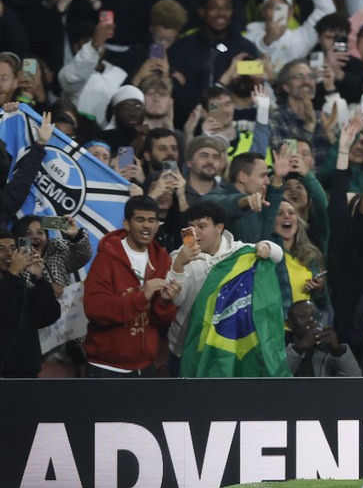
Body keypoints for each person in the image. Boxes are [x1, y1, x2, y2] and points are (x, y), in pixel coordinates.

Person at [165, 201, 283, 376]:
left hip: (229, 348)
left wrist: (266, 245)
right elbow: (176, 299)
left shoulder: (241, 252)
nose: (195, 232)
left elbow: (277, 254)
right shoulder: (179, 257)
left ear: (219, 227)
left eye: (202, 226)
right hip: (186, 348)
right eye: (191, 227)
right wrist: (179, 264)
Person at [82, 195, 181, 377]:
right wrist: (142, 296)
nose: (147, 226)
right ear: (127, 224)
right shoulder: (106, 258)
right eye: (140, 220)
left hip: (144, 367)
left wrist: (165, 302)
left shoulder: (161, 260)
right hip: (106, 368)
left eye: (152, 220)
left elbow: (160, 321)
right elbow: (95, 309)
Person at [0, 230, 59, 378]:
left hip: (27, 374)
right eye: (1, 249)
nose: (8, 254)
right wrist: (13, 273)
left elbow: (48, 316)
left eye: (13, 249)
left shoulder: (21, 286)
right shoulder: (12, 283)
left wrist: (39, 278)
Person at [202, 151, 285, 243]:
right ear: (242, 177)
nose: (267, 182)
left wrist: (278, 178)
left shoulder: (257, 203)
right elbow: (217, 204)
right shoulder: (216, 196)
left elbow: (266, 229)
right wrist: (244, 201)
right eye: (262, 176)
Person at [285, 300, 361, 377]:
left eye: (315, 315)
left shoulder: (327, 347)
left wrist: (338, 351)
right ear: (289, 324)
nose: (310, 319)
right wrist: (298, 350)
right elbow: (277, 378)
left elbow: (355, 380)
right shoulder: (280, 347)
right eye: (303, 316)